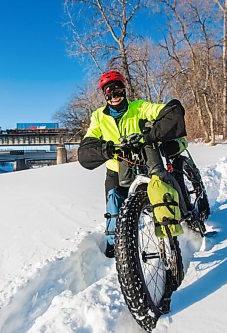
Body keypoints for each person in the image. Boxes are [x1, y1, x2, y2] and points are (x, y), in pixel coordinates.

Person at [77, 70, 188, 258]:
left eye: (117, 89)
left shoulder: (138, 107)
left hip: (145, 160)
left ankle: (187, 216)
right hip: (117, 167)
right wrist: (106, 149)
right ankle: (116, 245)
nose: (114, 95)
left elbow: (162, 110)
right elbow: (90, 140)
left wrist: (151, 135)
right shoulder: (98, 116)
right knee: (114, 208)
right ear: (104, 95)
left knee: (167, 182)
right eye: (109, 92)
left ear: (124, 89)